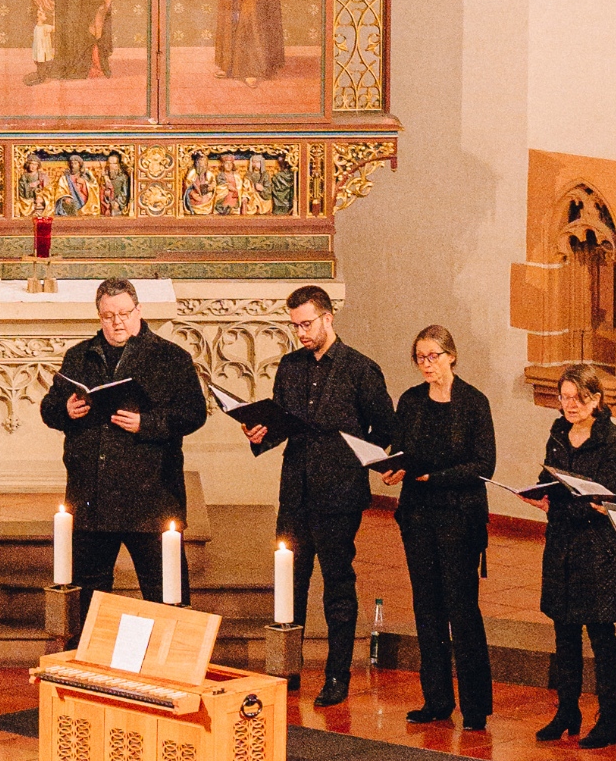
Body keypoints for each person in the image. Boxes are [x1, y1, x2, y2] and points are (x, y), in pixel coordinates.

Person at [246, 284, 395, 708]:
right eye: (295, 326)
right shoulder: (290, 367)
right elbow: (281, 421)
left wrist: (358, 458)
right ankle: (287, 671)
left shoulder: (360, 368)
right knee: (290, 581)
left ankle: (337, 675)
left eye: (307, 324)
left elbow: (385, 427)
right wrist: (260, 431)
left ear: (329, 317)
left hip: (339, 491)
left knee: (337, 585)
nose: (301, 333)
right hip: (296, 487)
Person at [40, 277, 209, 637]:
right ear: (99, 316)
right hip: (92, 496)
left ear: (139, 311)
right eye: (108, 315)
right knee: (89, 592)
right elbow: (49, 408)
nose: (117, 322)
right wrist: (66, 410)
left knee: (165, 592)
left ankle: (171, 668)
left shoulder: (170, 357)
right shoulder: (79, 355)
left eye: (124, 313)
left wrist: (146, 423)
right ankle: (89, 666)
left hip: (150, 497)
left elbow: (194, 414)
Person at [384, 324, 496, 729]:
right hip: (418, 516)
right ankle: (436, 700)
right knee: (426, 607)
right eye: (420, 357)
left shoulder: (473, 402)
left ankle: (475, 707)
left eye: (433, 356)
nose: (426, 364)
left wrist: (437, 478)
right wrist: (394, 469)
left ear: (451, 355)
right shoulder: (411, 401)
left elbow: (484, 465)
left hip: (460, 518)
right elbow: (400, 450)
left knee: (462, 610)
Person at [533, 362, 616, 748]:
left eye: (578, 398)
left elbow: (604, 500)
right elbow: (551, 480)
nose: (570, 405)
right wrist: (540, 494)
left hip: (599, 550)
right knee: (564, 632)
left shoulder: (614, 441)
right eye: (564, 397)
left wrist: (558, 505)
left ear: (596, 399)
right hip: (562, 545)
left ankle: (610, 718)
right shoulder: (558, 433)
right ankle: (567, 710)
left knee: (601, 634)